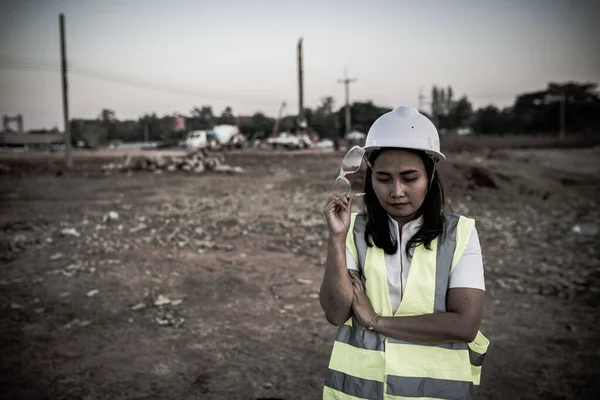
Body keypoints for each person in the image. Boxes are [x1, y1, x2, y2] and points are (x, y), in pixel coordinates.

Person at [320, 106, 489, 400]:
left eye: (410, 178)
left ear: (431, 176)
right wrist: (336, 238)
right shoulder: (354, 230)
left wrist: (375, 321)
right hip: (358, 392)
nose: (396, 192)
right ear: (370, 179)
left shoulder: (460, 233)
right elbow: (336, 313)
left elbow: (464, 325)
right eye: (384, 179)